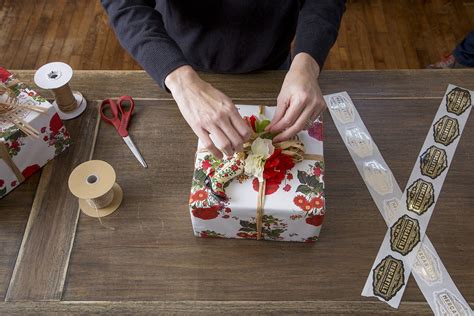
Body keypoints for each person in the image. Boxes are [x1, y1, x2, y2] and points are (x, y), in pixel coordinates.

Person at [101, 1, 345, 159]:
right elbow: (125, 5)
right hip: (178, 69)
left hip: (275, 70)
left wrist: (307, 64)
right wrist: (181, 80)